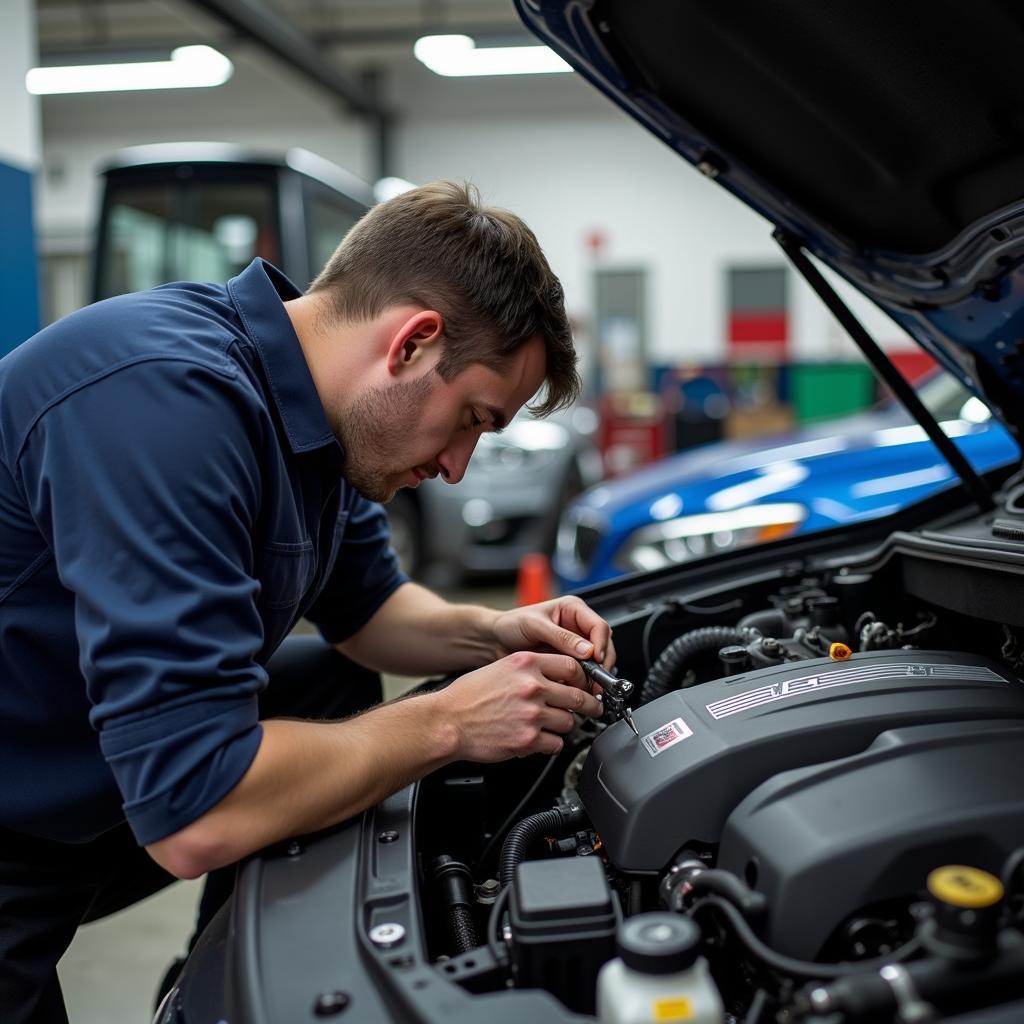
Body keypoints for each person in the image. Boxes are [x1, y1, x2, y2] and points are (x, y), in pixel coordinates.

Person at [0, 181, 615, 1023]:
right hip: (26, 815)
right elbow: (194, 807)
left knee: (321, 681)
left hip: (87, 768)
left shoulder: (321, 417)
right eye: (470, 418)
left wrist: (496, 633)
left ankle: (217, 985)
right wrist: (450, 723)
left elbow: (369, 618)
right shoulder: (166, 402)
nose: (458, 466)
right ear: (412, 343)